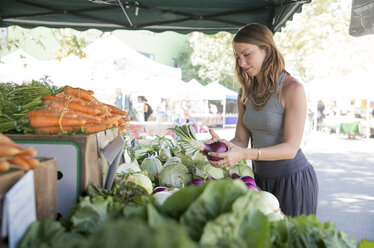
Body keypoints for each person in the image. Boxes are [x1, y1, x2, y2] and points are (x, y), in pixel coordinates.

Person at [205, 23, 318, 217]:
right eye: (237, 57)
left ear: (267, 50)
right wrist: (221, 148)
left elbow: (290, 149)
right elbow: (240, 140)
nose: (241, 63)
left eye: (247, 54)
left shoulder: (292, 89)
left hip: (292, 180)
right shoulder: (244, 93)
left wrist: (244, 154)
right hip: (259, 180)